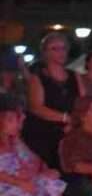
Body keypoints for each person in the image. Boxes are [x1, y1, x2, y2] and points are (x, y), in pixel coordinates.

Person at [23, 33, 83, 171]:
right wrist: (65, 118)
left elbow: (83, 102)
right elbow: (36, 107)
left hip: (71, 129)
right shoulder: (37, 78)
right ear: (45, 53)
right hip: (43, 132)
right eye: (54, 48)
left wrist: (74, 122)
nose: (60, 52)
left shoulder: (75, 76)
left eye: (63, 48)